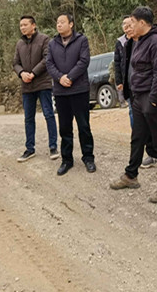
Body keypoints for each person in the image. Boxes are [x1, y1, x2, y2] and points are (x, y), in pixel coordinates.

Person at [109, 6, 157, 203]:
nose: (129, 26)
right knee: (137, 138)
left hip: (152, 98)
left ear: (142, 23)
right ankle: (131, 175)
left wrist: (153, 99)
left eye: (132, 22)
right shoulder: (137, 41)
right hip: (138, 97)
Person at [46, 13, 95, 176]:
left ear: (71, 24)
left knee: (84, 126)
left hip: (79, 89)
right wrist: (60, 78)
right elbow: (49, 64)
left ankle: (88, 157)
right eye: (57, 22)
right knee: (65, 127)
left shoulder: (81, 40)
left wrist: (70, 77)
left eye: (62, 22)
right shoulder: (52, 44)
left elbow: (84, 61)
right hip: (61, 92)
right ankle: (67, 160)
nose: (59, 25)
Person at [13, 15, 59, 162]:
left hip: (43, 83)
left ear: (33, 25)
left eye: (25, 24)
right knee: (28, 118)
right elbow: (15, 63)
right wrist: (22, 73)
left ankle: (53, 146)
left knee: (48, 114)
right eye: (21, 25)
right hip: (26, 85)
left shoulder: (44, 39)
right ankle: (29, 148)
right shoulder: (19, 43)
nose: (22, 27)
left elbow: (47, 59)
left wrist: (33, 73)